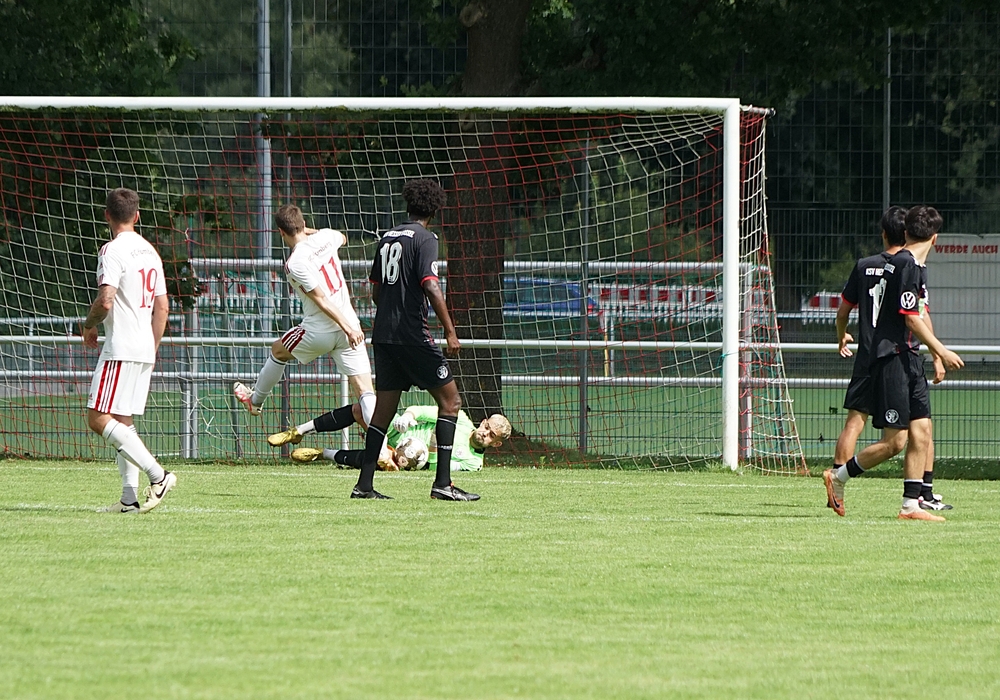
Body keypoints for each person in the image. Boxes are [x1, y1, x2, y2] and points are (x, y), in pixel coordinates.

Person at [824, 205, 963, 521]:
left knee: (922, 431)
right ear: (935, 239)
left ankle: (911, 505)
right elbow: (912, 318)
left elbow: (916, 313)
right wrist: (941, 351)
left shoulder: (912, 265)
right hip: (892, 359)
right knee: (895, 441)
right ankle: (838, 477)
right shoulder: (905, 265)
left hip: (909, 356)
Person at [350, 178, 472, 500]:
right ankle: (443, 484)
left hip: (384, 336)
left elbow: (376, 292)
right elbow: (431, 285)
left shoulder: (387, 237)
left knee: (382, 413)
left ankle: (364, 486)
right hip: (412, 336)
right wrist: (450, 331)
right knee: (451, 402)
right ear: (435, 208)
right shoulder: (426, 238)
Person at [232, 204, 376, 436]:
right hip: (350, 326)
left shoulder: (294, 263)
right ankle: (383, 445)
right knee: (365, 392)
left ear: (281, 232)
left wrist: (348, 329)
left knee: (278, 351)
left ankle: (255, 401)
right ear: (303, 224)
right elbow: (342, 238)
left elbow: (322, 300)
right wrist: (350, 329)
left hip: (320, 331)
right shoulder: (326, 236)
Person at [83, 188, 176, 514]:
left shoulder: (112, 250)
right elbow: (163, 308)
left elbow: (106, 300)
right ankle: (128, 499)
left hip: (121, 347)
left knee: (97, 418)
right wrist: (152, 347)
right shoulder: (150, 251)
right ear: (137, 215)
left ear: (107, 215)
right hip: (144, 347)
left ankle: (159, 475)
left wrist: (88, 324)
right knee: (122, 419)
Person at [289, 406, 512, 472]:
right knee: (360, 410)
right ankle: (300, 430)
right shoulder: (459, 418)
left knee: (382, 460)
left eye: (492, 435)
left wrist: (432, 445)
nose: (485, 433)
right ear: (483, 422)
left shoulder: (474, 464)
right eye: (487, 427)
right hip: (397, 433)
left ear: (497, 443)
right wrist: (407, 417)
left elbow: (438, 466)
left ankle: (323, 454)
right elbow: (420, 410)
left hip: (408, 461)